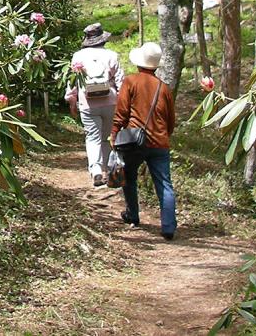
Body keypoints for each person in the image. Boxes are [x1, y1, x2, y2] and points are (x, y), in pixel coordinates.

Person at [110, 41, 177, 240]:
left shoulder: (130, 82)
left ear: (139, 63)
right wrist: (164, 136)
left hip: (134, 141)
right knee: (165, 184)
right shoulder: (163, 88)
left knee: (129, 177)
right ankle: (168, 227)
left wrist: (114, 133)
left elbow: (121, 112)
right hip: (160, 142)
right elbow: (170, 119)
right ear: (155, 65)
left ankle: (132, 215)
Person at [65, 23, 124, 187]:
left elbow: (73, 81)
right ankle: (106, 170)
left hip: (87, 103)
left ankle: (96, 171)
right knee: (106, 138)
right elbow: (120, 81)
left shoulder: (78, 56)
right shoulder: (112, 55)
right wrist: (123, 103)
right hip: (110, 102)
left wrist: (72, 101)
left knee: (92, 137)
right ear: (102, 39)